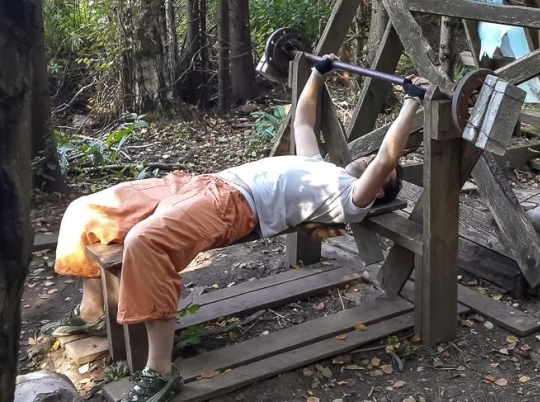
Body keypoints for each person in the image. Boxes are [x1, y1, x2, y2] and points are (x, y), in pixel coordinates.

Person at [42, 55, 429, 402]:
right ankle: (92, 310)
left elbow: (386, 156)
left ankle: (159, 370)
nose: (366, 160)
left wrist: (411, 101)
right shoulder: (319, 166)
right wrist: (317, 73)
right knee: (86, 210)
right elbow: (304, 120)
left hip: (233, 206)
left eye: (381, 173)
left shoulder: (351, 199)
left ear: (379, 190)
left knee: (146, 241)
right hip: (201, 182)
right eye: (368, 161)